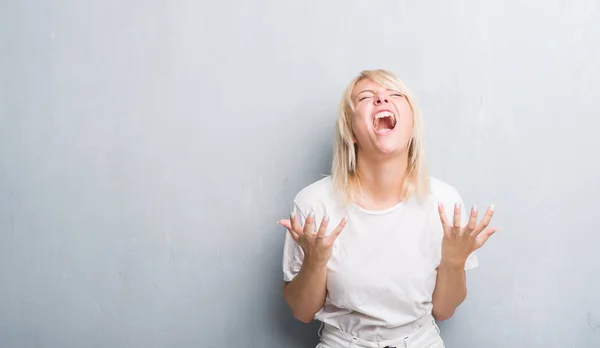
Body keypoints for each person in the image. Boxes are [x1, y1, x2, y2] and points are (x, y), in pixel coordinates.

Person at [277, 69, 499, 348]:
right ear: (351, 131)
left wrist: (453, 262)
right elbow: (302, 312)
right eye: (366, 97)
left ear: (411, 127)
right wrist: (316, 261)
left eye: (395, 94)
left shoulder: (444, 203)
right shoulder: (313, 204)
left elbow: (444, 310)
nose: (382, 98)